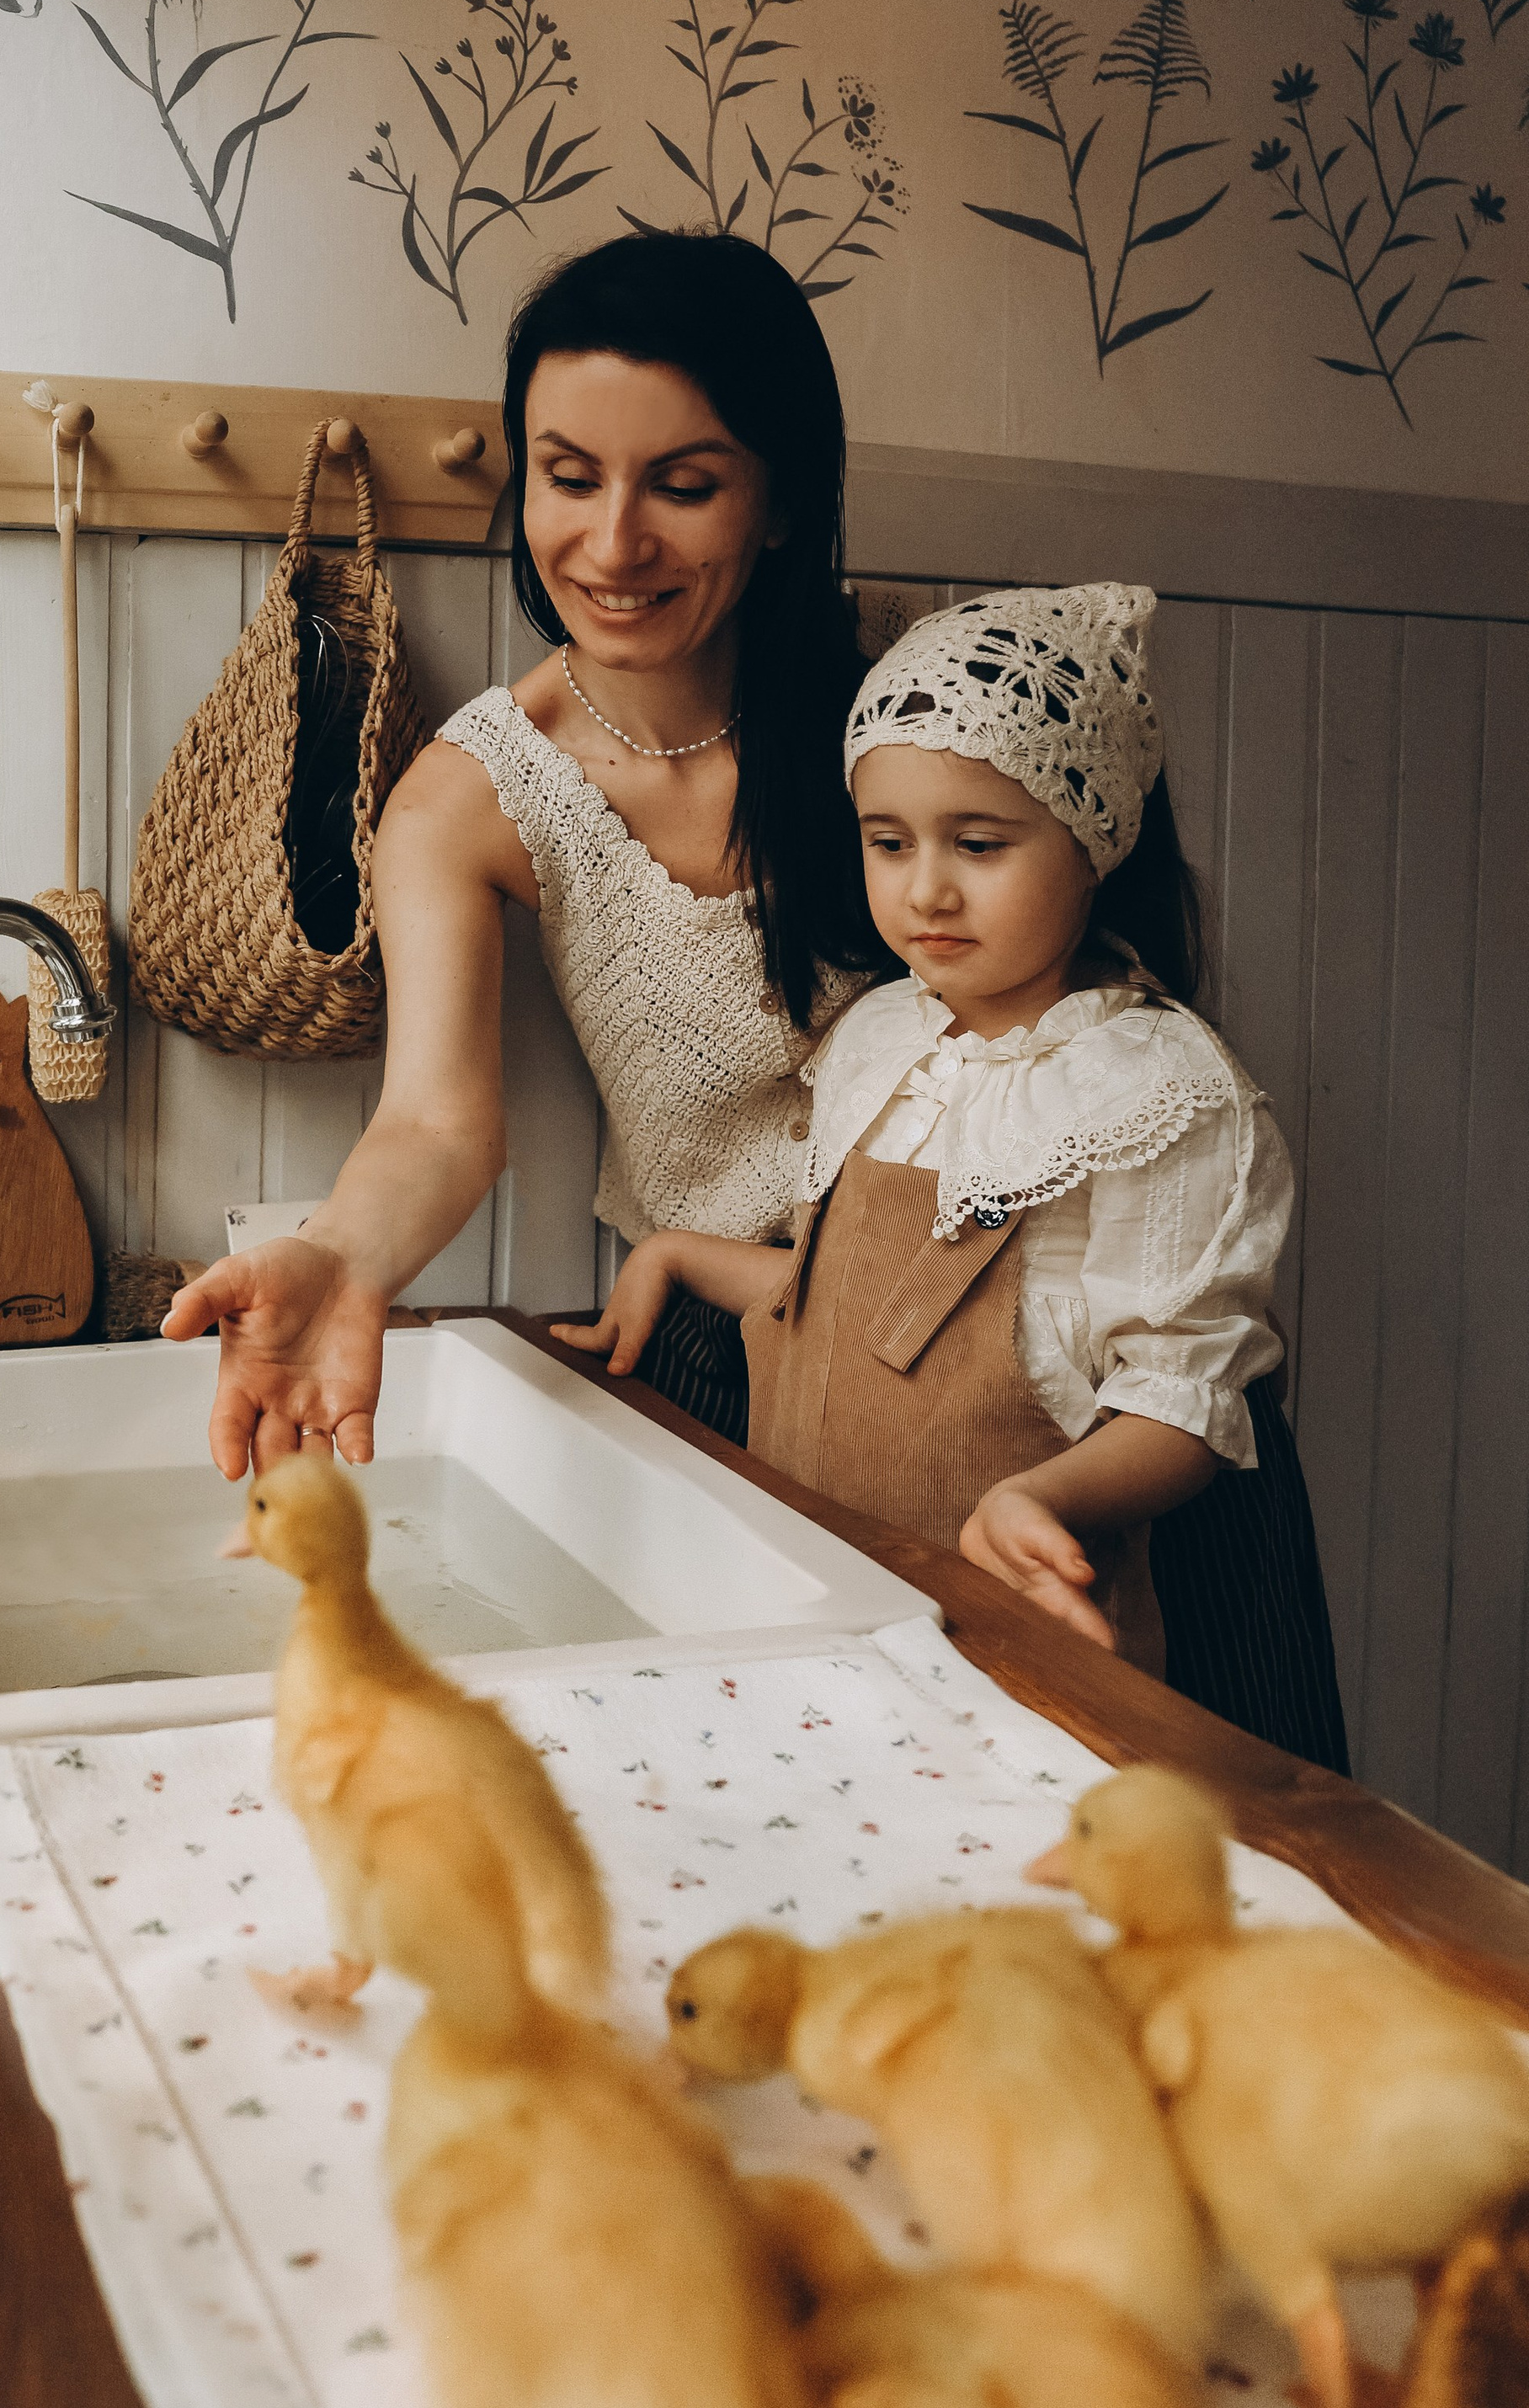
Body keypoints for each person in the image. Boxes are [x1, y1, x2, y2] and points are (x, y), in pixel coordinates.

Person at [551, 584, 1348, 1759]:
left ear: (1092, 846)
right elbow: (836, 1304)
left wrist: (1046, 1500)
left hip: (1018, 1640)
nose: (925, 888)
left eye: (978, 845)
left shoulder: (1153, 1090)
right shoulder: (879, 1038)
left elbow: (1181, 1401)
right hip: (821, 1608)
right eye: (889, 842)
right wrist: (674, 1254)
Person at [162, 230, 885, 1466]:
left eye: (685, 485)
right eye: (569, 476)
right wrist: (341, 1257)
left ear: (780, 504)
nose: (612, 546)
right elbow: (439, 1124)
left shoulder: (905, 721)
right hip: (722, 1360)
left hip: (1024, 1342)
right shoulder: (475, 793)